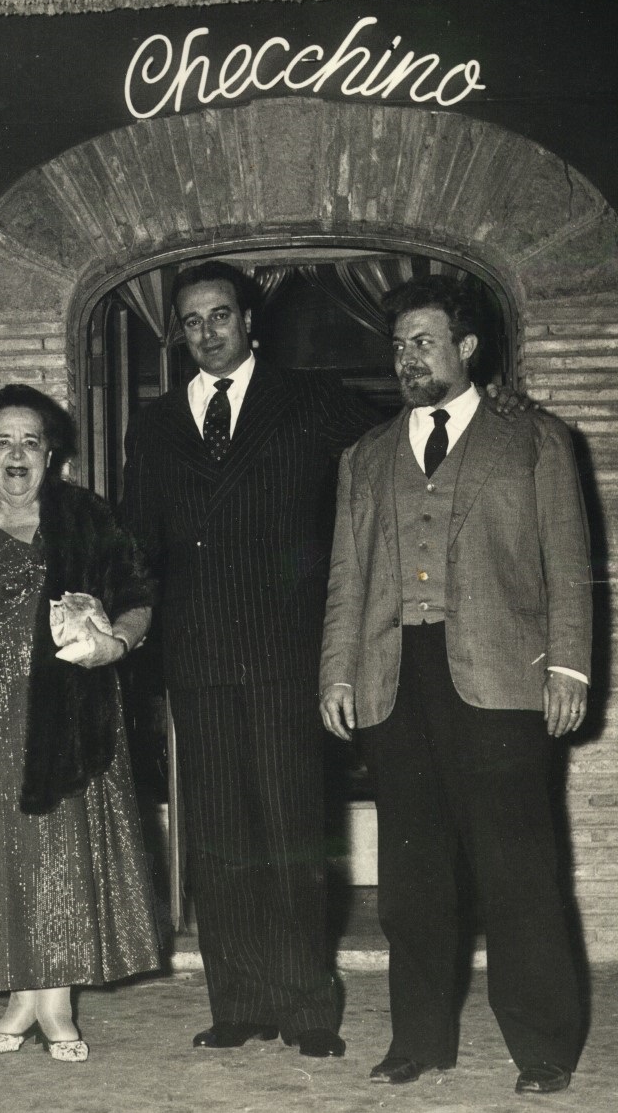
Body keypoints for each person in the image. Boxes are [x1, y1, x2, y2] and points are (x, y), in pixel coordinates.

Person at [319, 274, 590, 1097]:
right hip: (397, 679)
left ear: (467, 348)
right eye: (398, 345)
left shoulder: (535, 440)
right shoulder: (364, 457)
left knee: (518, 871)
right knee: (413, 878)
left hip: (504, 680)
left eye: (423, 342)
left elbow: (569, 565)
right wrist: (337, 668)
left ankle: (543, 1046)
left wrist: (570, 665)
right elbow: (345, 576)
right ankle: (421, 1038)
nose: (406, 358)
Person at [119, 260, 376, 1059]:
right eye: (191, 322)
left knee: (293, 833)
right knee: (221, 840)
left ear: (248, 320)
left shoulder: (312, 400)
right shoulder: (156, 425)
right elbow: (138, 547)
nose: (206, 333)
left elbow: (401, 441)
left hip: (285, 655)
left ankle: (307, 1008)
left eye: (219, 316)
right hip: (195, 662)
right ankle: (238, 999)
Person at [0, 384, 161, 1062]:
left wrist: (114, 642)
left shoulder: (86, 516)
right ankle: (23, 997)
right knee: (3, 852)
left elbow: (139, 595)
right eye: (3, 440)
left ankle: (53, 1003)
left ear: (52, 451)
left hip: (69, 715)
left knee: (60, 855)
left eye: (31, 440)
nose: (17, 453)